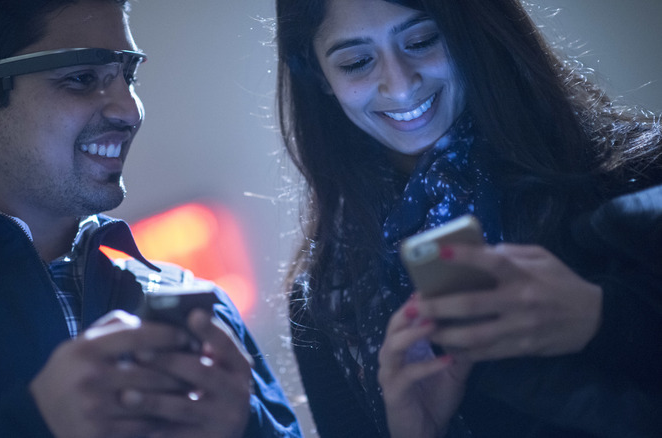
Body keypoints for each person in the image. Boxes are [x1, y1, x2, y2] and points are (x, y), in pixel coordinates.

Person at [0, 1, 302, 437]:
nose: (130, 110)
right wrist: (35, 422)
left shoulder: (196, 300)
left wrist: (246, 426)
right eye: (82, 79)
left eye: (129, 76)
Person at [275, 0, 662, 437]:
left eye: (421, 40)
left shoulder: (639, 175)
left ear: (472, 30)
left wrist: (601, 320)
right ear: (319, 76)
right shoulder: (327, 301)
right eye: (357, 62)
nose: (401, 86)